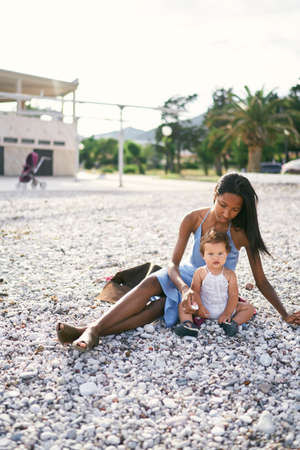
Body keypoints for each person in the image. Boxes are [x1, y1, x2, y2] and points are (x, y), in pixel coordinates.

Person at [56, 172, 300, 351]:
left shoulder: (242, 232)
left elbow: (261, 280)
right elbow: (172, 264)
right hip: (184, 276)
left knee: (160, 306)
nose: (227, 213)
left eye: (235, 210)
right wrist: (183, 288)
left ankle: (89, 330)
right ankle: (94, 329)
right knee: (153, 280)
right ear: (214, 194)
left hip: (213, 286)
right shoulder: (194, 219)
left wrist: (285, 312)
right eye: (222, 205)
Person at [174, 230, 254, 338]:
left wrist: (228, 313)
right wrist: (200, 306)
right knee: (183, 305)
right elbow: (195, 291)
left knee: (248, 308)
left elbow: (233, 296)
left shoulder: (230, 275)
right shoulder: (200, 272)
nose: (216, 257)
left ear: (227, 253)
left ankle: (232, 323)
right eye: (211, 254)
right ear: (203, 255)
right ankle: (188, 324)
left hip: (224, 308)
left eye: (220, 253)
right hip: (205, 308)